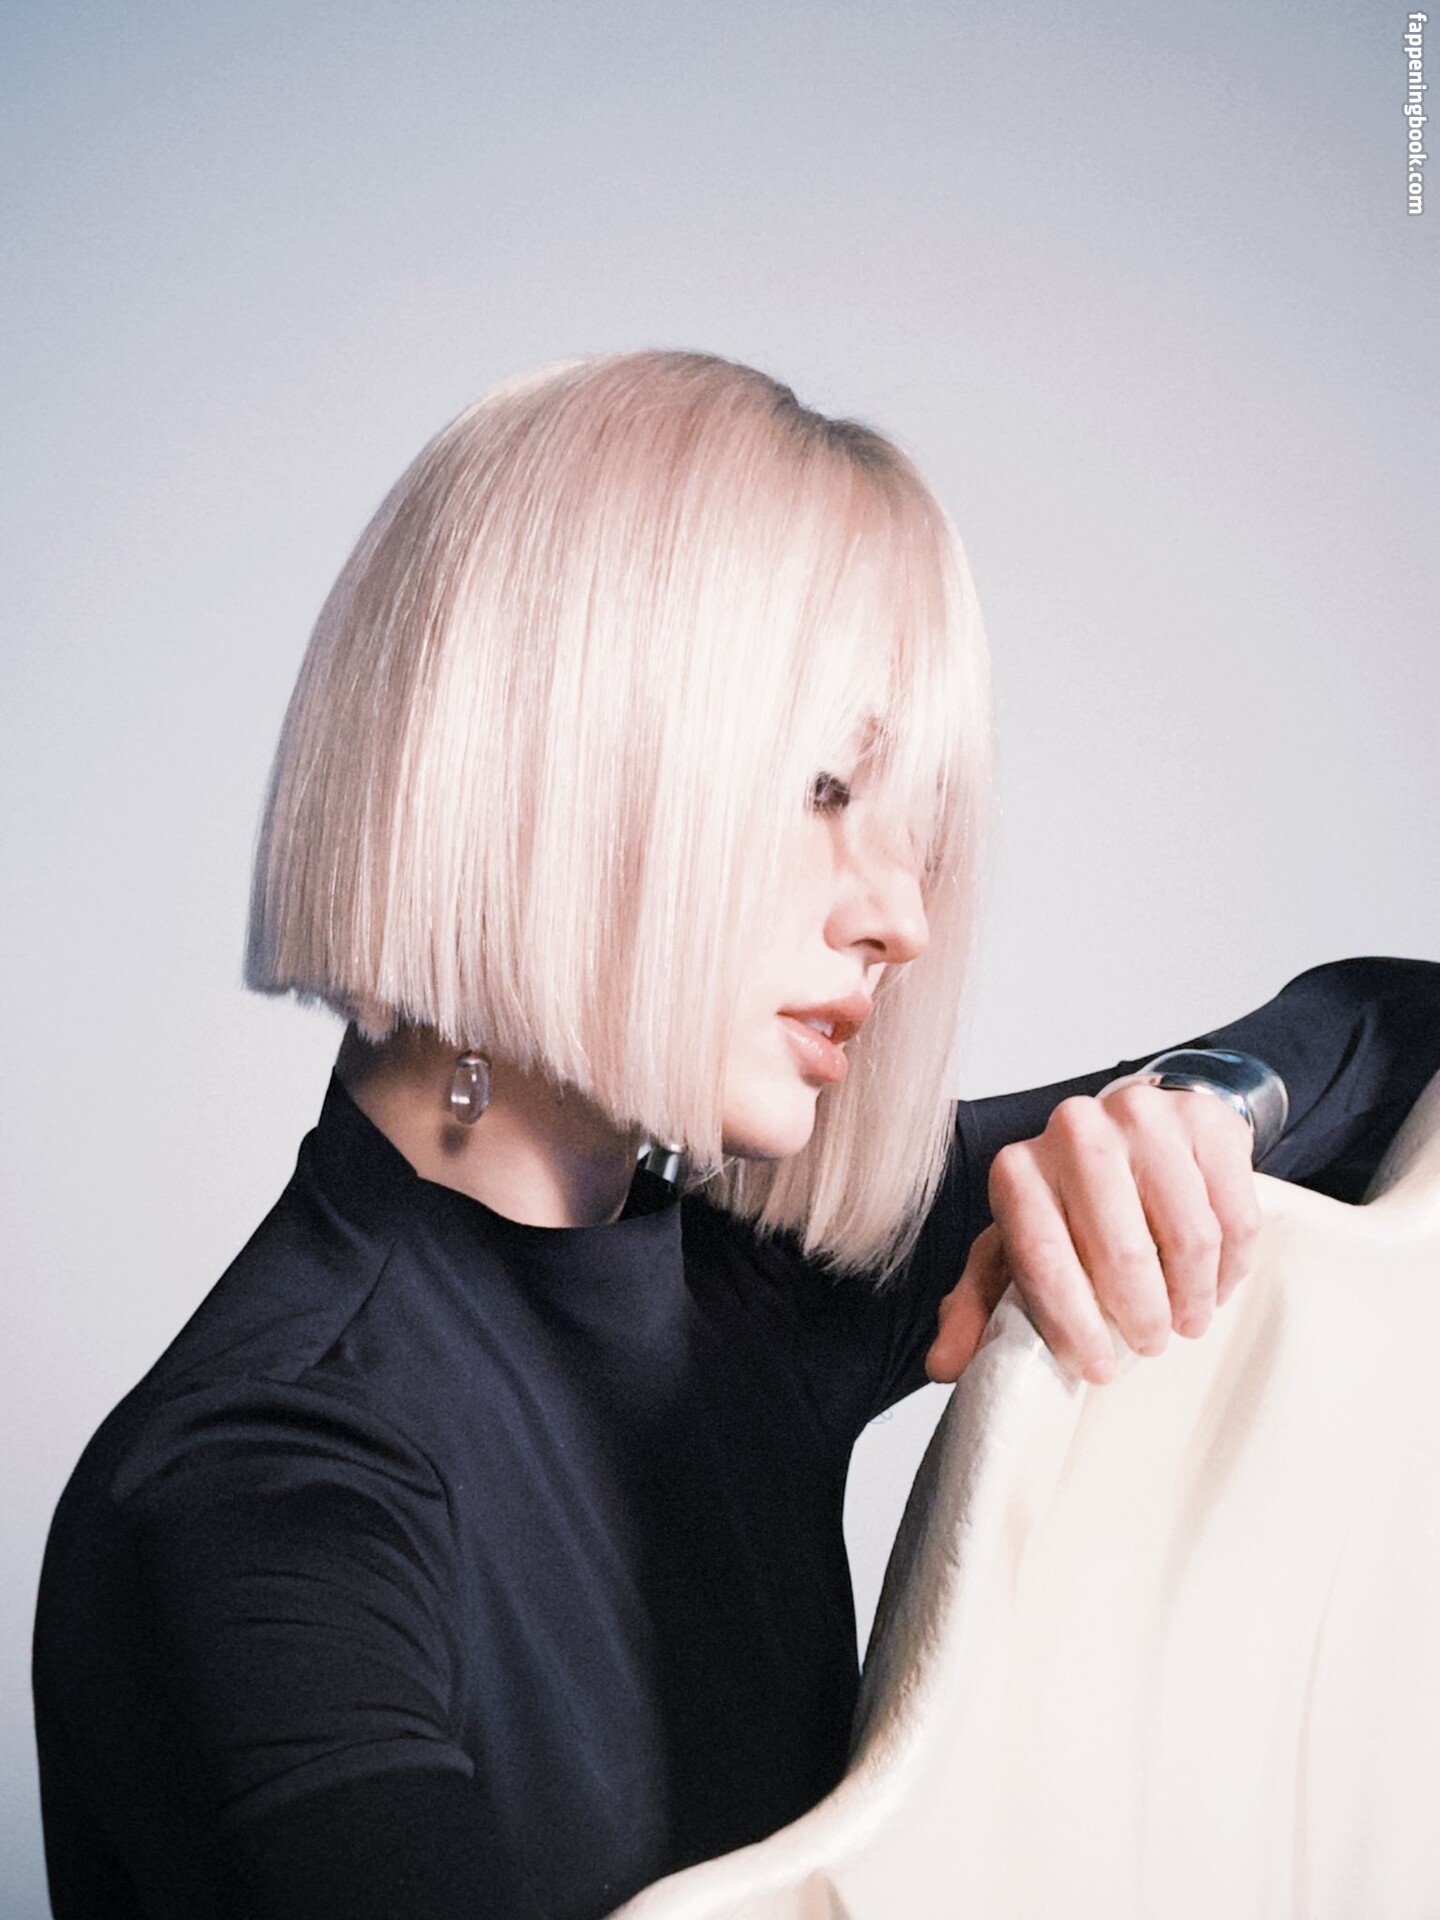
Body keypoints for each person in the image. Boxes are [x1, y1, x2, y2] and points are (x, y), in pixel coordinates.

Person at [32, 351, 1440, 1920]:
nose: (903, 916)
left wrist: (1189, 1114)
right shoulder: (254, 1497)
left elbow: (1402, 1030)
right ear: (555, 759)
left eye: (915, 830)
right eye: (826, 787)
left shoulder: (751, 1288)